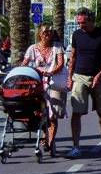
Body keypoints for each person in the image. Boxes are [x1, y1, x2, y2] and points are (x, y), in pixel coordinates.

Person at [67, 7, 101, 158]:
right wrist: (69, 77)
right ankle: (75, 147)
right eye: (78, 22)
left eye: (83, 22)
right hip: (80, 77)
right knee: (76, 112)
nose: (80, 25)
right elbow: (73, 57)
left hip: (99, 78)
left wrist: (99, 75)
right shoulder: (76, 35)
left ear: (91, 20)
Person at [21, 24, 67, 156]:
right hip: (38, 83)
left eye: (50, 32)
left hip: (54, 82)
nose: (48, 34)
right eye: (45, 32)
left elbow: (60, 64)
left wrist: (50, 72)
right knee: (38, 112)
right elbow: (24, 64)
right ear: (39, 34)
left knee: (53, 114)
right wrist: (20, 73)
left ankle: (50, 141)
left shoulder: (57, 47)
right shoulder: (32, 48)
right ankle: (45, 136)